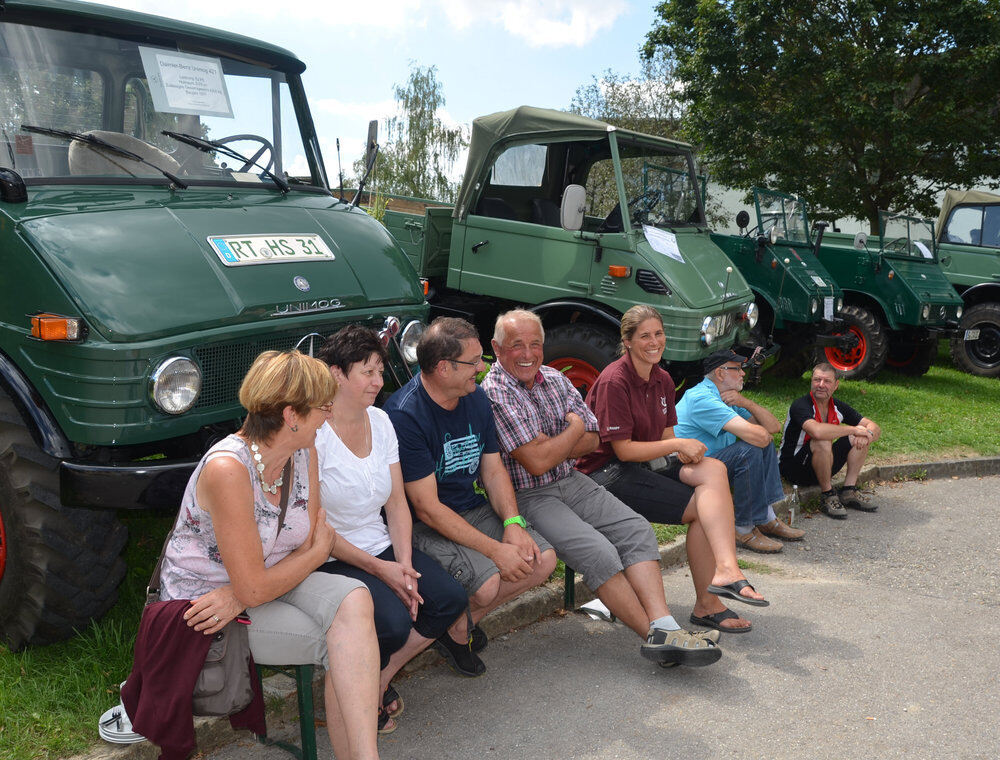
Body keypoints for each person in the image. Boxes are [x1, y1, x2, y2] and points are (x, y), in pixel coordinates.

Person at [157, 350, 382, 760]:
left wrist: (248, 590)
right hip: (204, 607)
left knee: (356, 598)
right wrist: (254, 587)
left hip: (261, 584)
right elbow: (313, 548)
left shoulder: (303, 452)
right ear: (292, 415)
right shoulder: (229, 469)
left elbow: (314, 538)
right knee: (344, 643)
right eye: (324, 408)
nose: (329, 417)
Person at [482, 310, 721, 665]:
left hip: (571, 479)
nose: (528, 353)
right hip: (529, 495)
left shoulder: (553, 378)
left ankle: (666, 626)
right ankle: (655, 638)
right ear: (497, 348)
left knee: (637, 530)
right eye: (517, 345)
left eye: (536, 344)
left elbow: (592, 440)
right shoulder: (495, 391)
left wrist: (558, 442)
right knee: (598, 552)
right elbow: (536, 461)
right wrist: (573, 431)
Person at [313, 325, 470, 733]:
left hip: (380, 543)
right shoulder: (314, 434)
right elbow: (316, 527)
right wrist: (382, 571)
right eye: (367, 372)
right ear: (336, 374)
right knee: (393, 622)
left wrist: (404, 566)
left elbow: (396, 502)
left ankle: (376, 677)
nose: (379, 382)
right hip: (331, 556)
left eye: (381, 371)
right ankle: (354, 689)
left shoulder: (381, 421)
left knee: (448, 597)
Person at [578, 305, 769, 635]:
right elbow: (623, 450)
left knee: (712, 471)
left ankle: (726, 569)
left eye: (659, 334)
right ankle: (708, 604)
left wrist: (684, 454)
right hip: (605, 473)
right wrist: (678, 447)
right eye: (645, 336)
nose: (654, 342)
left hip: (643, 464)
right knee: (704, 510)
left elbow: (665, 437)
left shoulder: (662, 378)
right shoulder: (615, 380)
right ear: (627, 341)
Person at [383, 317, 558, 675]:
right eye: (474, 362)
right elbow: (427, 509)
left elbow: (493, 471)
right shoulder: (404, 415)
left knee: (543, 560)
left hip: (468, 508)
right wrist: (496, 551)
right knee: (487, 583)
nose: (482, 369)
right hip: (423, 525)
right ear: (443, 367)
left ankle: (456, 628)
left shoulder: (475, 398)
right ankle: (457, 630)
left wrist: (512, 523)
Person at [675, 349, 805, 552]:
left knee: (763, 441)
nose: (743, 373)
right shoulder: (702, 398)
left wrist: (746, 402)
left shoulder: (726, 397)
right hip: (690, 467)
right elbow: (758, 436)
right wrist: (757, 433)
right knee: (750, 449)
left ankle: (766, 518)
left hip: (710, 462)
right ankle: (742, 528)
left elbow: (773, 427)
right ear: (720, 373)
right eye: (737, 369)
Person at [779, 363, 882, 518]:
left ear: (836, 385)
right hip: (794, 469)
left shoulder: (837, 406)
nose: (821, 385)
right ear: (811, 382)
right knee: (823, 439)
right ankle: (828, 495)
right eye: (817, 380)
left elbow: (874, 427)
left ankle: (849, 490)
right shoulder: (800, 405)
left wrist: (866, 435)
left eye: (827, 381)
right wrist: (854, 429)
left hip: (822, 465)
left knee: (859, 437)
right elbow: (817, 431)